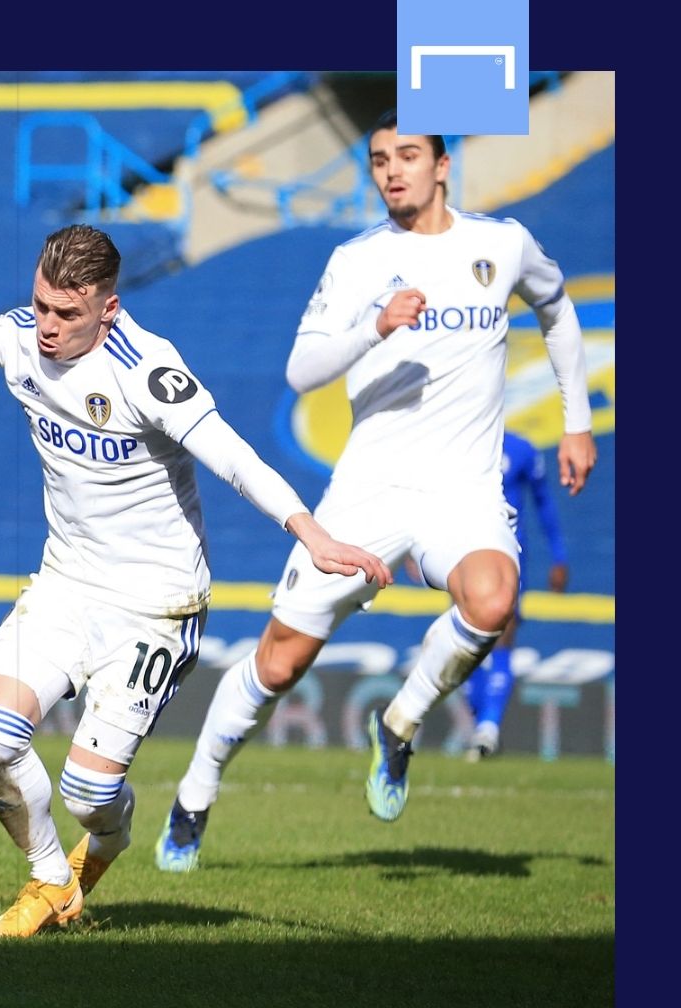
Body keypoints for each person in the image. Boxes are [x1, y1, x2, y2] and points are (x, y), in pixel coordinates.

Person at [0, 224, 388, 936]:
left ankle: (106, 837)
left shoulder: (148, 372)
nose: (47, 327)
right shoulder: (18, 335)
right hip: (67, 581)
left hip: (157, 605)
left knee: (90, 794)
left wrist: (311, 533)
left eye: (67, 314)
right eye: (41, 306)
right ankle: (51, 881)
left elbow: (233, 457)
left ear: (109, 308)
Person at [155, 111, 596, 871]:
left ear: (443, 164)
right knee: (280, 664)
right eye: (379, 159)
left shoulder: (502, 244)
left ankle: (400, 723)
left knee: (494, 599)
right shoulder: (357, 262)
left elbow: (556, 311)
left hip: (463, 490)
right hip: (369, 491)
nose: (392, 170)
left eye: (408, 156)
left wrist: (578, 420)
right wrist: (376, 330)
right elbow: (300, 371)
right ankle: (194, 795)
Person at [462, 430, 571, 761]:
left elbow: (544, 502)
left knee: (502, 635)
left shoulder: (522, 449)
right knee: (467, 641)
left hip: (510, 553)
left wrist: (559, 555)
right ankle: (483, 724)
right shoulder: (459, 441)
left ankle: (489, 728)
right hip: (461, 552)